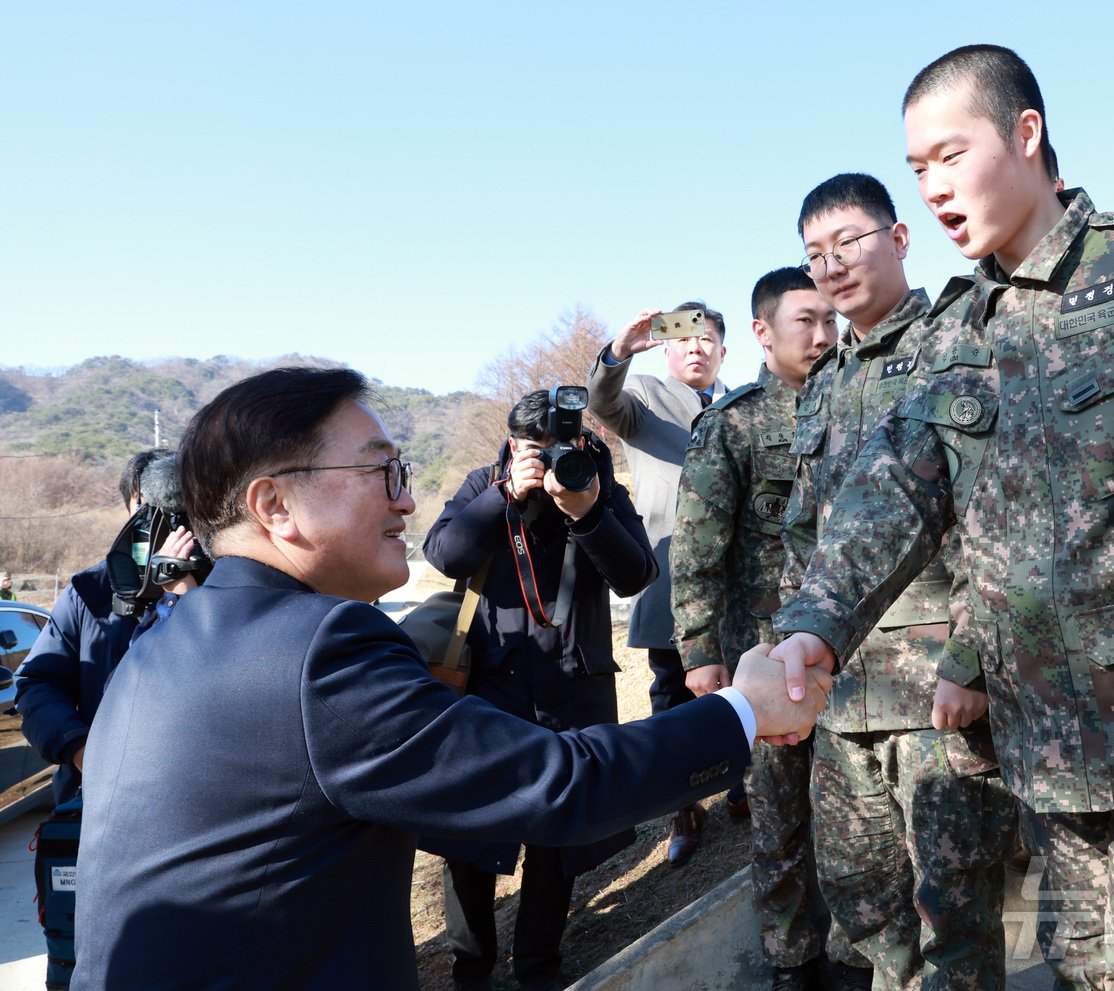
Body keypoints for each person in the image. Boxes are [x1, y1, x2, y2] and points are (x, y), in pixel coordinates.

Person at [770, 45, 1114, 990]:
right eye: (918, 170)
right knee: (1081, 975)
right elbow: (895, 490)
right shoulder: (956, 337)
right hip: (1043, 761)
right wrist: (814, 624)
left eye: (951, 155)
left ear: (1026, 132)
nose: (936, 188)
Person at [70, 366, 829, 991]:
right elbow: (563, 784)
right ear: (275, 505)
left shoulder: (158, 645)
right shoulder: (319, 647)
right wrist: (744, 710)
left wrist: (587, 510)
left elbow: (634, 569)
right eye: (382, 469)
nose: (405, 495)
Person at [782, 173, 1018, 991]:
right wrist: (789, 658)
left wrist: (976, 655)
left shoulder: (961, 340)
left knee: (956, 910)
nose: (832, 265)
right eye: (815, 255)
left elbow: (999, 509)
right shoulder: (822, 386)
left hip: (938, 693)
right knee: (863, 901)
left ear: (899, 238)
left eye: (848, 242)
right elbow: (802, 540)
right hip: (843, 699)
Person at [422, 389, 658, 991]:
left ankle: (538, 966)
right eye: (536, 450)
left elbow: (635, 575)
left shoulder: (595, 482)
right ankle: (472, 969)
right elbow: (445, 554)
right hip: (487, 685)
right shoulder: (485, 481)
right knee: (470, 836)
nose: (552, 459)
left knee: (558, 837)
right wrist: (504, 495)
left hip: (574, 687)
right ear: (512, 445)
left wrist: (588, 510)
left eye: (562, 446)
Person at [671, 267, 844, 991]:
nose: (824, 333)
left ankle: (853, 953)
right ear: (763, 331)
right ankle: (790, 960)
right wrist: (701, 652)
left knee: (854, 816)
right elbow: (697, 545)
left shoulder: (856, 401)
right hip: (766, 659)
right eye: (806, 319)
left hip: (850, 652)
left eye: (831, 318)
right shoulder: (734, 422)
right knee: (779, 819)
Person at [586, 301, 728, 865]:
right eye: (684, 338)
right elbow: (602, 401)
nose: (697, 347)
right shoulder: (644, 398)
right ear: (667, 348)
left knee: (747, 676)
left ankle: (745, 784)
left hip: (741, 577)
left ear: (724, 348)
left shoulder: (744, 403)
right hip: (672, 575)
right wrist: (619, 353)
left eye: (707, 337)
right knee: (672, 693)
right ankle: (684, 807)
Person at [15, 447, 171, 805]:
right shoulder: (90, 591)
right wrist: (81, 750)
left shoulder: (227, 586)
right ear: (128, 511)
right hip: (99, 801)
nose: (161, 524)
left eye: (175, 509)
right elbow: (37, 682)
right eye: (145, 509)